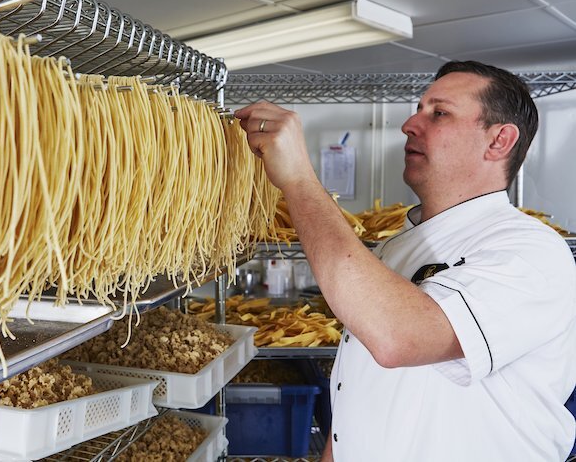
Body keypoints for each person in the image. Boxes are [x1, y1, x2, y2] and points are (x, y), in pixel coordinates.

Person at [234, 60, 576, 461]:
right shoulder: (396, 248)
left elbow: (398, 337)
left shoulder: (531, 252)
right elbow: (362, 392)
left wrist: (298, 179)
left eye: (439, 113)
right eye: (418, 108)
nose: (410, 124)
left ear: (499, 140)